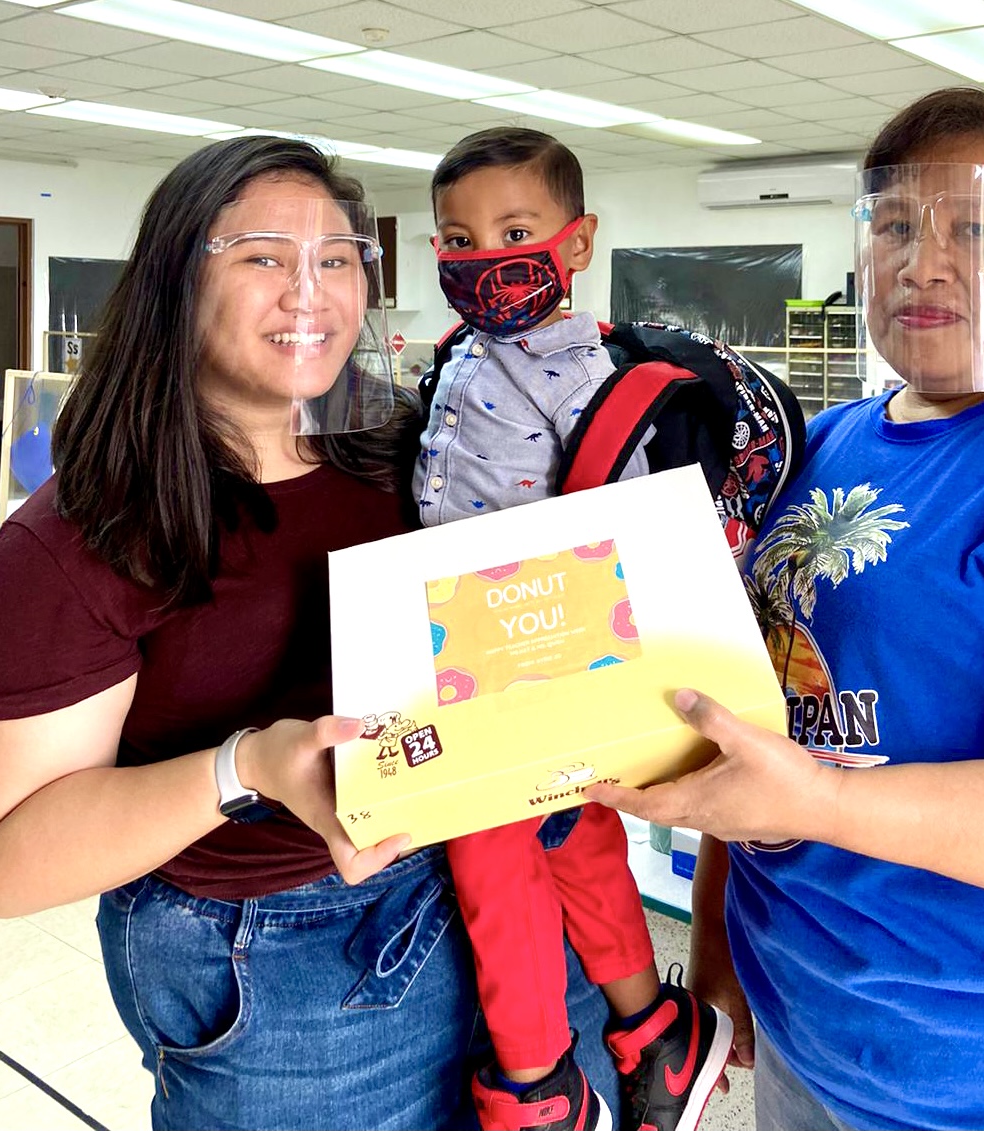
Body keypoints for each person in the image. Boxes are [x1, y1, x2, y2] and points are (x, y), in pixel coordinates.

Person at [0, 135, 619, 1131]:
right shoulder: (84, 535)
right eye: (262, 257)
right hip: (277, 956)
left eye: (336, 258)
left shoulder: (406, 456)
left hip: (498, 895)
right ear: (176, 281)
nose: (309, 293)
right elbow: (10, 860)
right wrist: (244, 768)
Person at [586, 88, 984, 1131]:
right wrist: (715, 938)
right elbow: (759, 726)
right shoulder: (821, 447)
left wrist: (819, 805)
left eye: (975, 228)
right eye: (895, 224)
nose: (922, 262)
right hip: (814, 1038)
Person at [414, 127, 733, 1131]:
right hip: (455, 643)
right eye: (456, 239)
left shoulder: (592, 379)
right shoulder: (457, 357)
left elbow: (636, 537)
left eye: (515, 230)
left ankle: (539, 1082)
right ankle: (653, 1031)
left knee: (484, 849)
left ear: (578, 241)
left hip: (542, 650)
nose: (483, 260)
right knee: (577, 835)